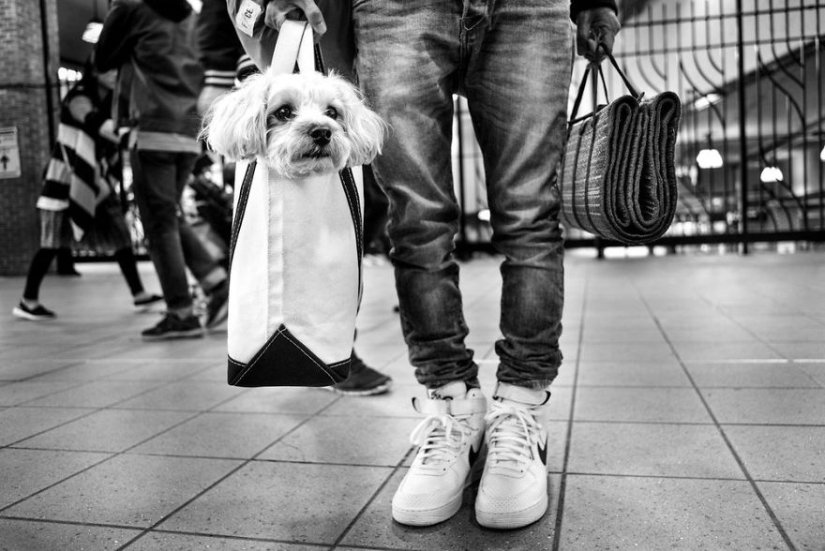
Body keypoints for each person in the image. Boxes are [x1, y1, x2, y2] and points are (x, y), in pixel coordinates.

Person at [256, 0, 621, 529]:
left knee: (529, 215)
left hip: (531, 7)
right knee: (417, 221)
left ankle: (520, 408)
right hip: (396, 7)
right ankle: (452, 406)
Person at [212, 0, 393, 396]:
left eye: (331, 115)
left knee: (354, 224)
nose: (321, 127)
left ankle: (329, 345)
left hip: (357, 55)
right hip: (271, 51)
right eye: (285, 114)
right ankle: (307, 347)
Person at [95, 0, 231, 340]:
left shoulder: (131, 9)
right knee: (168, 215)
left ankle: (181, 312)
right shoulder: (191, 14)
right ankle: (216, 283)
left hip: (153, 126)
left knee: (158, 223)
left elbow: (101, 60)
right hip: (189, 129)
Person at [12, 59, 163, 322]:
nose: (114, 72)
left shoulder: (113, 101)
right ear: (95, 71)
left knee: (120, 236)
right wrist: (140, 138)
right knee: (50, 243)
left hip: (97, 179)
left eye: (117, 68)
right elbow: (96, 125)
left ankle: (139, 293)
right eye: (109, 67)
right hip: (66, 178)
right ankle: (28, 301)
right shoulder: (78, 98)